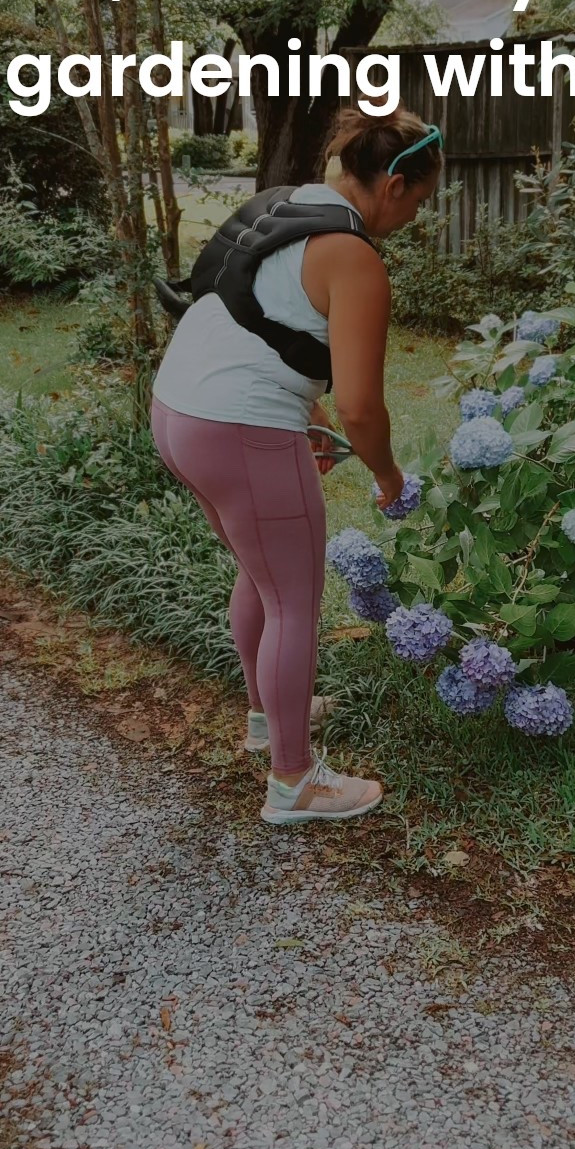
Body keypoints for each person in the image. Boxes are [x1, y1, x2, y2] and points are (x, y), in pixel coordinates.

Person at [150, 104, 443, 826]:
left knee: (261, 576)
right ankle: (293, 781)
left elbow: (258, 310)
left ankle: (265, 717)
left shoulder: (286, 203)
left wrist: (303, 414)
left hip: (179, 411)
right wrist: (389, 479)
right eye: (422, 203)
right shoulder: (355, 259)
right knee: (293, 603)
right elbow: (364, 412)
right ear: (397, 184)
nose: (415, 219)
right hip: (240, 428)